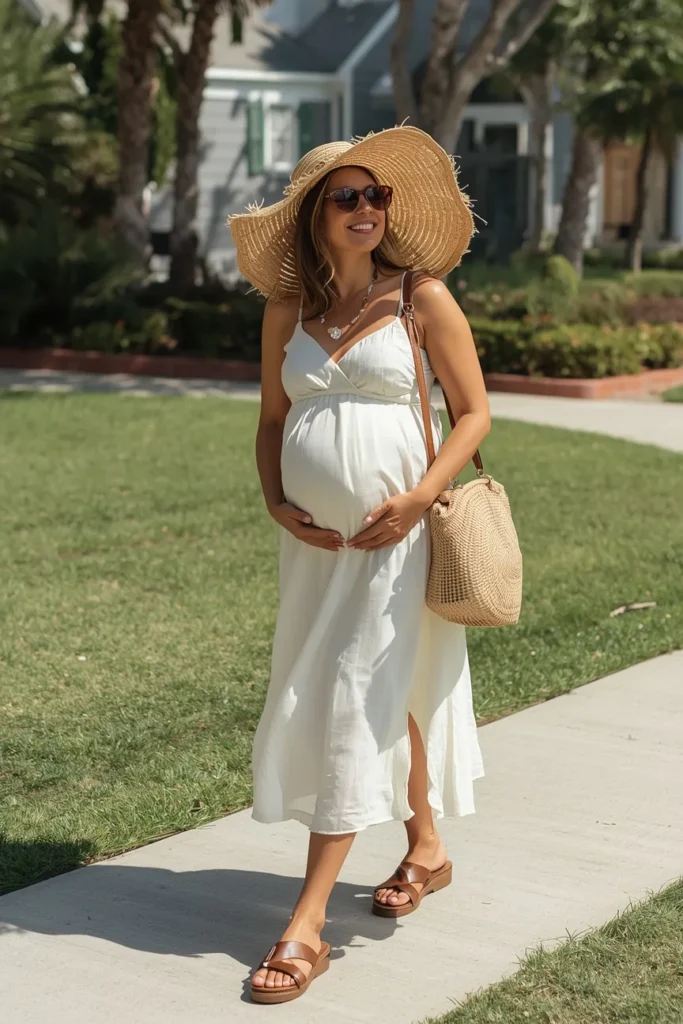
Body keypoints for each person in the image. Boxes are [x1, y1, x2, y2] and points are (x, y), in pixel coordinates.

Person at [228, 125, 490, 1006]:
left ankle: (306, 927)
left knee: (351, 694)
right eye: (348, 196)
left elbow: (474, 415)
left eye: (377, 196)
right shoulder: (284, 311)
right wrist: (274, 498)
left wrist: (418, 499)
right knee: (385, 690)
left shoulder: (421, 297)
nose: (367, 209)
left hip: (397, 540)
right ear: (314, 214)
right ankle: (426, 847)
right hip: (312, 549)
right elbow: (271, 419)